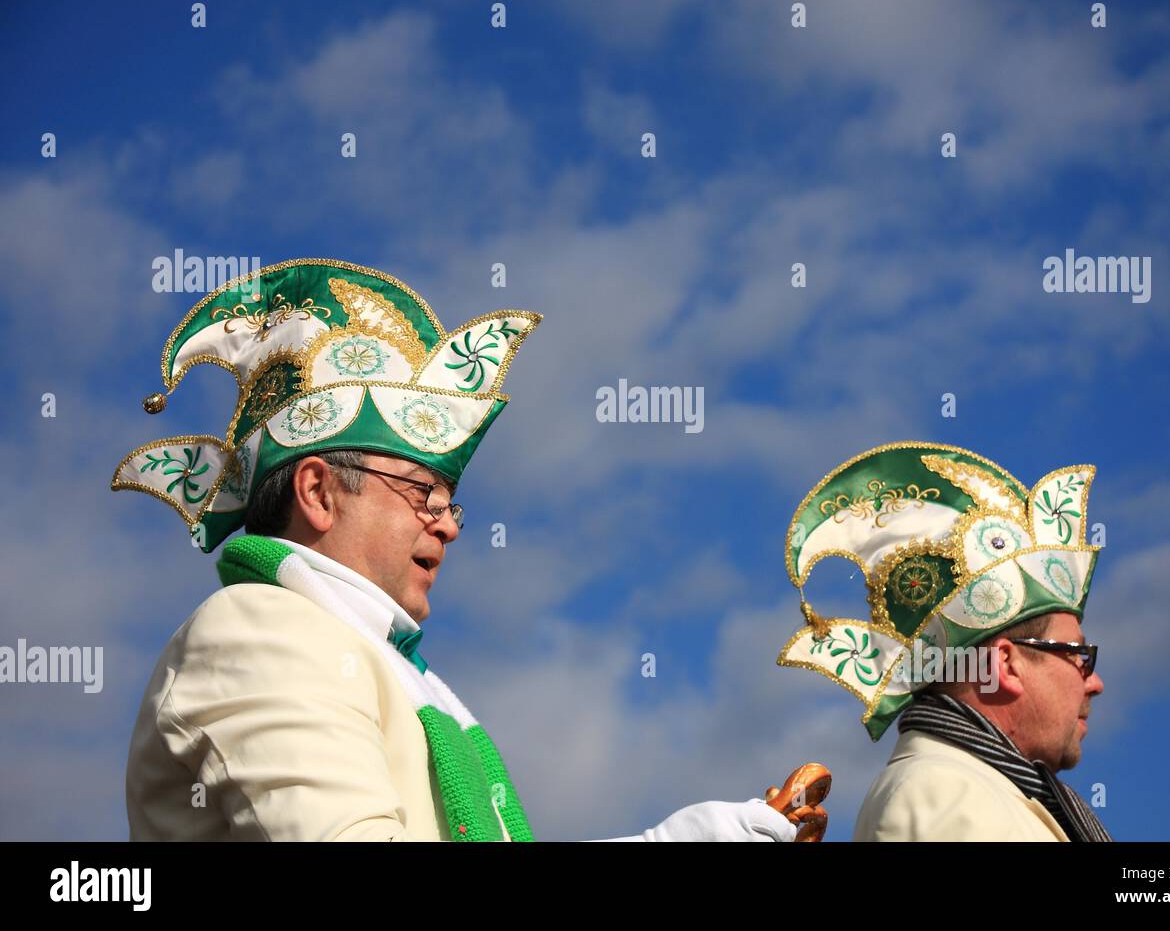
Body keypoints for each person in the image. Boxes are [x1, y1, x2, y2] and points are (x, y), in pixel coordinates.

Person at [115, 258, 796, 842]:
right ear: (319, 493)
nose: (448, 525)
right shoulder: (257, 633)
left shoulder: (407, 675)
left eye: (450, 503)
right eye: (422, 494)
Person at [775, 441, 1112, 841]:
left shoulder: (977, 791)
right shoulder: (942, 794)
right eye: (1078, 655)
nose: (1094, 682)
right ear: (1006, 665)